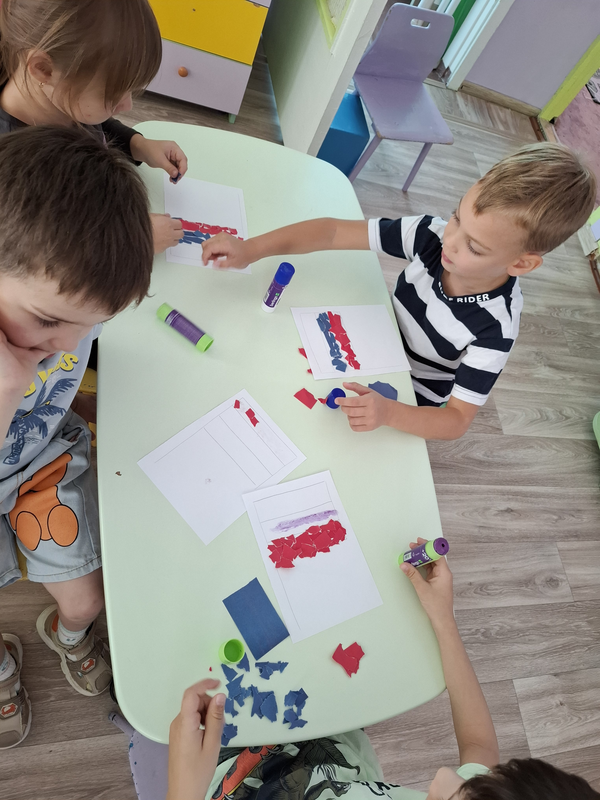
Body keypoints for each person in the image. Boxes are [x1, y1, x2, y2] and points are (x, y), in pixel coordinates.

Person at [201, 143, 596, 440]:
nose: (450, 241)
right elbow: (333, 231)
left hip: (409, 396)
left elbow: (456, 420)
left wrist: (390, 413)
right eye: (457, 217)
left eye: (474, 247)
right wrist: (251, 249)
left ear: (521, 264)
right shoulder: (430, 235)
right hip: (370, 339)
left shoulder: (495, 329)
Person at [166, 544, 600, 800]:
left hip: (233, 778)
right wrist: (443, 619)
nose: (443, 775)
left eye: (445, 798)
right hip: (332, 750)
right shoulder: (479, 794)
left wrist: (183, 791)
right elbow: (480, 747)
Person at [0, 126, 153, 748]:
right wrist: (8, 388)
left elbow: (66, 372)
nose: (67, 345)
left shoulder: (61, 320)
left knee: (87, 600)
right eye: (48, 321)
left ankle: (67, 635)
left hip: (41, 456)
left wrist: (81, 399)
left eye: (87, 326)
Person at [0, 0, 187, 254]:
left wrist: (138, 145)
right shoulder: (13, 171)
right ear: (43, 69)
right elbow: (51, 249)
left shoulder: (58, 101)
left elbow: (92, 123)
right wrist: (133, 240)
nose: (128, 105)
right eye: (112, 95)